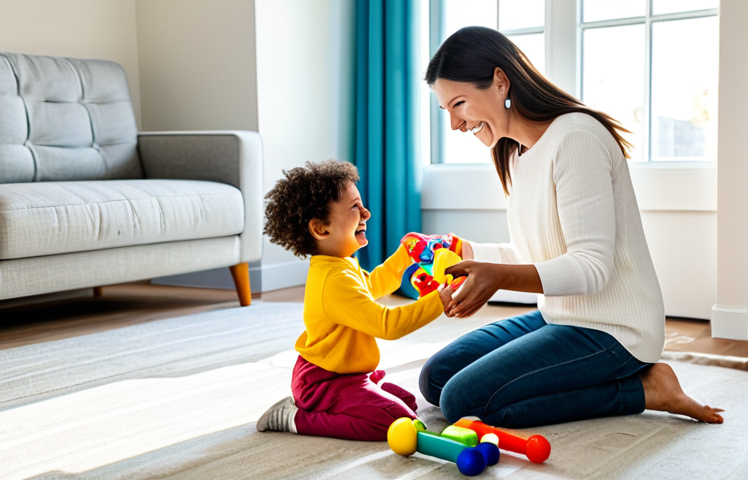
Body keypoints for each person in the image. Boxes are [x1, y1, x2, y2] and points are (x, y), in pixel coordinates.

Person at [419, 26, 724, 427]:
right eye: (447, 112)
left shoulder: (576, 137)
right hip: (560, 315)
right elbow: (533, 255)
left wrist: (497, 278)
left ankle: (645, 388)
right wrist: (464, 251)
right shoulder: (516, 154)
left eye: (459, 104)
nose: (456, 124)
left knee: (463, 401)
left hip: (614, 328)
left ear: (499, 81)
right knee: (436, 379)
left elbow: (590, 267)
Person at [256, 159, 455, 440]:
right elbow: (387, 325)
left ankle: (353, 396)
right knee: (396, 421)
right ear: (321, 229)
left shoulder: (339, 264)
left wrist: (404, 257)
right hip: (324, 380)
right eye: (354, 207)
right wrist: (439, 300)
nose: (366, 213)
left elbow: (371, 285)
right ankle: (297, 418)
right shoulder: (333, 279)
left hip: (349, 374)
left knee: (408, 404)